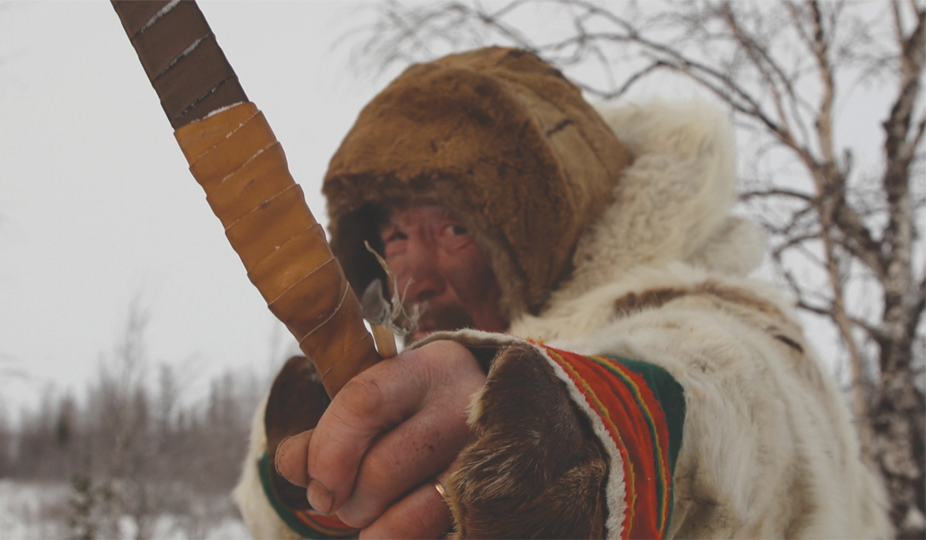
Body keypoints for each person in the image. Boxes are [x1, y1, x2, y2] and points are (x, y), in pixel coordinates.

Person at [233, 47, 891, 539]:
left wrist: (583, 428)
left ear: (537, 237)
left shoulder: (712, 317)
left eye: (455, 229)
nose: (415, 278)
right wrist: (315, 484)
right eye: (396, 236)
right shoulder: (409, 375)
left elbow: (736, 400)